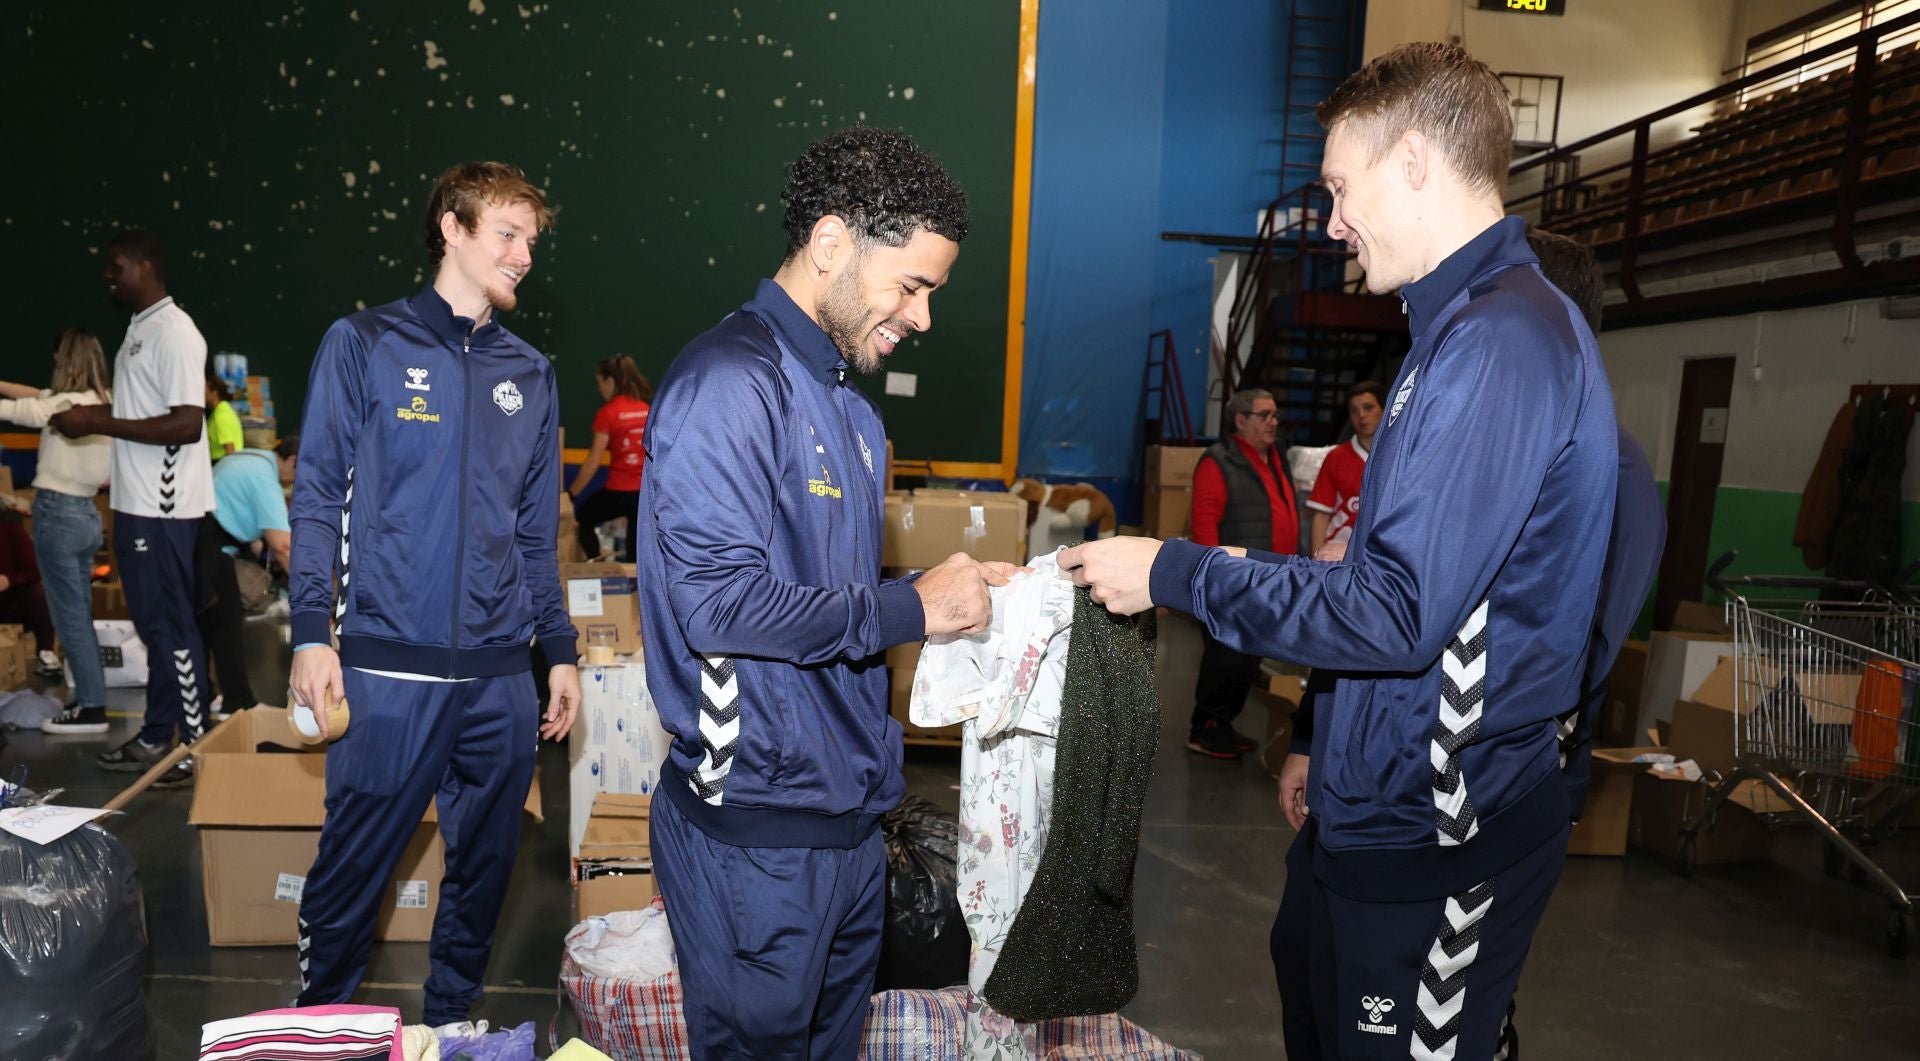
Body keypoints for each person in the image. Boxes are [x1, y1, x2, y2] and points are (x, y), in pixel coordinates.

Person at [1063, 43, 1618, 1061]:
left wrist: (1174, 570)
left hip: (1441, 832)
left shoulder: (1499, 344)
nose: (1332, 221)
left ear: (1413, 159)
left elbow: (1395, 613)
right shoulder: (1451, 335)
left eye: (1337, 187)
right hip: (1393, 810)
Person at [635, 125, 1005, 1057]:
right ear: (832, 243)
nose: (922, 317)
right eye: (911, 285)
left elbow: (823, 598)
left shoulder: (850, 411)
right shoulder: (729, 381)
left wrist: (927, 589)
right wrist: (912, 606)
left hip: (845, 824)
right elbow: (716, 604)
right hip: (755, 830)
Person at [1268, 227, 1666, 1059]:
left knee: (1440, 1021)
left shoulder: (1609, 470)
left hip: (1469, 795)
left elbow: (1565, 651)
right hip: (1375, 774)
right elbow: (1371, 605)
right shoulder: (1447, 431)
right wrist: (1314, 733)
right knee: (1306, 958)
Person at [285, 161, 581, 1030]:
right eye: (508, 235)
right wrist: (312, 629)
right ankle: (320, 1031)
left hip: (497, 681)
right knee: (350, 875)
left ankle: (454, 1026)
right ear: (452, 228)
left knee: (486, 876)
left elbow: (536, 532)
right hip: (386, 669)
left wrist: (556, 651)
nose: (524, 255)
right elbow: (318, 496)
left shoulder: (529, 372)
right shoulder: (365, 343)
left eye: (532, 240)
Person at [50, 230, 215, 787]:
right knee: (154, 626)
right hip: (138, 503)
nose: (108, 274)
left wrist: (96, 421)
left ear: (144, 266)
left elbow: (188, 423)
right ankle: (155, 737)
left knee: (169, 626)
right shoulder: (140, 330)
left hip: (164, 510)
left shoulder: (174, 332)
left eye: (115, 265)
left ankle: (194, 746)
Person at [0, 329, 115, 730]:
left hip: (58, 515)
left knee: (70, 620)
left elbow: (27, 410)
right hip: (85, 515)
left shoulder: (64, 405)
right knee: (78, 614)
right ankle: (87, 697)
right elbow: (35, 395)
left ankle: (91, 707)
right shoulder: (102, 402)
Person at [1185, 387, 1301, 759]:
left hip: (1270, 579)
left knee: (1248, 658)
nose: (1273, 422)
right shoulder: (1219, 461)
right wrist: (1215, 578)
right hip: (1236, 580)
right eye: (1264, 415)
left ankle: (1224, 724)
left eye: (1275, 415)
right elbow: (1204, 523)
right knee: (1225, 657)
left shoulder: (1275, 457)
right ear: (1241, 420)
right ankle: (1204, 729)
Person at [196, 434, 299, 720]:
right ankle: (238, 703)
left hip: (201, 541)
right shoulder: (264, 479)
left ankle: (209, 695)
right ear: (293, 461)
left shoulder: (249, 458)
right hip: (209, 546)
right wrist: (310, 593)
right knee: (227, 625)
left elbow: (249, 527)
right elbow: (283, 546)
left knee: (208, 625)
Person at [565, 355, 651, 562]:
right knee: (636, 545)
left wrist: (571, 496)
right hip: (645, 494)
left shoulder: (608, 413)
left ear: (610, 381)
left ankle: (600, 568)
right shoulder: (646, 410)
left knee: (584, 518)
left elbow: (593, 461)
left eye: (599, 383)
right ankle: (635, 587)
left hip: (619, 492)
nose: (599, 389)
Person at [1305, 380, 1383, 555]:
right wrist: (1317, 559)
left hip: (1380, 555)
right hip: (1338, 554)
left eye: (1368, 407)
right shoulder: (1336, 457)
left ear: (1384, 410)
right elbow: (1321, 515)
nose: (1361, 415)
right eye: (1354, 410)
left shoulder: (1398, 456)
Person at [205, 370, 244, 460]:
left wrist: (225, 472)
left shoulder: (221, 414)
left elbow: (230, 449)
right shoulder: (219, 411)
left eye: (204, 389)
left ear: (214, 392)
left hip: (221, 465)